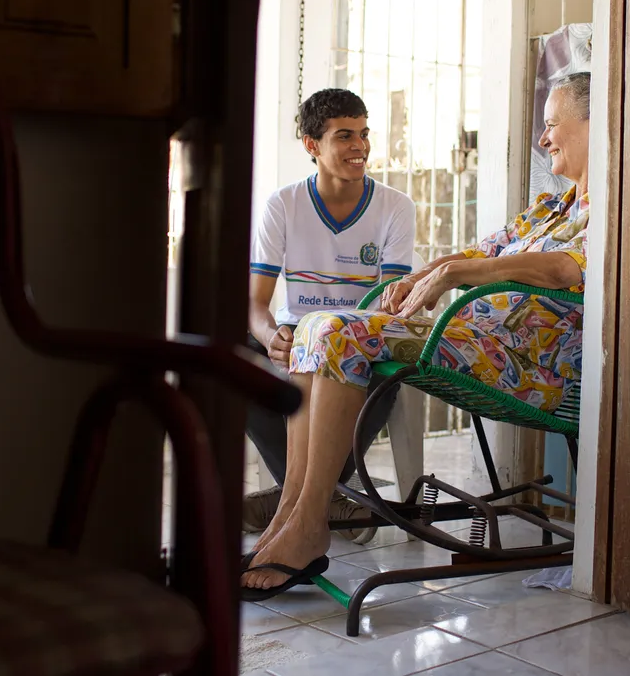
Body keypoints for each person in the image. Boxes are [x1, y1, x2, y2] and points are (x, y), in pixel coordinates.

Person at [241, 72, 591, 600]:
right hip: (476, 340)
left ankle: (307, 523)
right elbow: (479, 254)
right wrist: (427, 273)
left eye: (551, 126)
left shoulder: (610, 209)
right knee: (315, 326)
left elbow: (564, 270)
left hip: (527, 363)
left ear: (595, 126)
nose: (543, 140)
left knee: (338, 330)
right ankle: (291, 515)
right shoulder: (549, 208)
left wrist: (452, 277)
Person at [245, 88, 417, 545]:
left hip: (358, 344)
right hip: (295, 337)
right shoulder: (283, 206)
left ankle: (295, 503)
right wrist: (268, 336)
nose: (359, 146)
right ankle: (328, 501)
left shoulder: (396, 208)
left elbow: (390, 303)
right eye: (344, 136)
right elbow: (254, 302)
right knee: (234, 362)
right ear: (311, 145)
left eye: (363, 134)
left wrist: (333, 336)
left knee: (361, 364)